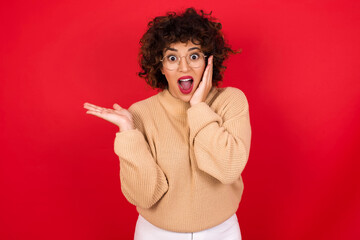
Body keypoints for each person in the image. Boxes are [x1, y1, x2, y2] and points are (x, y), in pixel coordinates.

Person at [84, 7, 251, 240]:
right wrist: (129, 135)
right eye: (172, 58)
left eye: (194, 56)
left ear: (208, 61)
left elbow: (227, 169)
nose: (184, 68)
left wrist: (199, 107)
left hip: (221, 232)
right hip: (156, 234)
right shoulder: (141, 114)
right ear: (161, 66)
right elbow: (144, 196)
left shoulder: (230, 101)